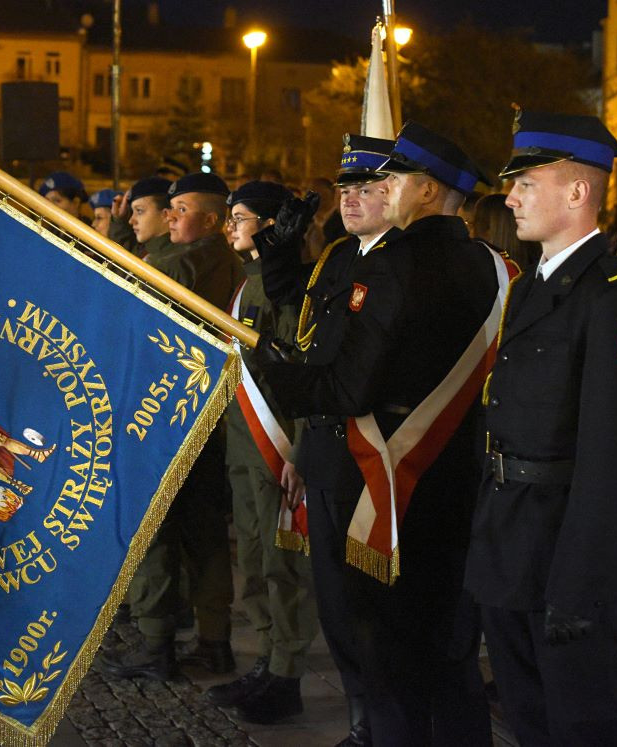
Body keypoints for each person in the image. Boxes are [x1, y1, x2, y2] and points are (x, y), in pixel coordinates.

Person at [257, 122, 505, 746]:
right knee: (447, 647)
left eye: (388, 179)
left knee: (383, 645)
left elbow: (347, 386)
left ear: (425, 191)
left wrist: (264, 371)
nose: (374, 190)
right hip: (449, 466)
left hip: (375, 468)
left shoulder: (396, 264)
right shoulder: (489, 265)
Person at [464, 111, 617, 746]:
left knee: (583, 722)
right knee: (527, 715)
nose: (511, 198)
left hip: (568, 550)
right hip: (511, 534)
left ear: (577, 193)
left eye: (526, 184)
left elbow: (614, 456)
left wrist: (579, 581)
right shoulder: (532, 291)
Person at [255, 134, 401, 745]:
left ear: (397, 192)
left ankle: (379, 727)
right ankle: (361, 721)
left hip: (368, 451)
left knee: (368, 611)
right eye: (345, 189)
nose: (350, 199)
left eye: (366, 188)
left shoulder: (399, 262)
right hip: (322, 446)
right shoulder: (341, 255)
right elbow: (297, 301)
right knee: (336, 606)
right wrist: (280, 245)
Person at [101, 172, 241, 681]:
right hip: (203, 417)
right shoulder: (224, 260)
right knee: (204, 536)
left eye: (181, 209)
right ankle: (214, 640)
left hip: (159, 416)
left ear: (209, 219)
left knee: (154, 531)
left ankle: (156, 641)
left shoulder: (177, 263)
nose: (173, 216)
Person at [202, 179, 319, 723]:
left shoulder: (282, 288)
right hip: (244, 445)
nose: (229, 225)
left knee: (282, 564)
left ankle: (287, 672)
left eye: (240, 216)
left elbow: (297, 372)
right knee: (252, 556)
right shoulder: (249, 283)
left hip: (275, 444)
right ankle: (266, 661)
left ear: (272, 225)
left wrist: (299, 448)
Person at [472, 193, 541, 271]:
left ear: (487, 230)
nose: (470, 231)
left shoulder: (476, 270)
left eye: (472, 223)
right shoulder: (542, 270)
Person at [108, 176, 173, 258]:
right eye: (132, 211)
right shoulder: (145, 249)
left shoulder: (170, 258)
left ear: (166, 214)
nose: (131, 221)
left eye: (139, 211)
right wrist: (119, 221)